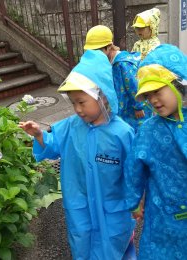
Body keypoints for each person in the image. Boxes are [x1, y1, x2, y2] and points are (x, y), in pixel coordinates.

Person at [19, 50, 136, 259]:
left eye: (82, 102)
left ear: (103, 96)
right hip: (79, 204)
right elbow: (52, 143)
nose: (78, 109)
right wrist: (38, 134)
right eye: (73, 103)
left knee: (114, 247)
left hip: (112, 208)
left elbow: (134, 171)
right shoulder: (72, 126)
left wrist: (137, 201)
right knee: (82, 243)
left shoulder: (122, 133)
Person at [124, 44, 187, 259]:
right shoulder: (149, 130)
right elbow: (134, 167)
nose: (152, 100)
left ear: (178, 83)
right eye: (148, 95)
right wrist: (134, 201)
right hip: (162, 214)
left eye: (157, 91)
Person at [84, 25, 152, 131]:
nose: (95, 54)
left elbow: (134, 85)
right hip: (124, 104)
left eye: (98, 50)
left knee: (138, 130)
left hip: (135, 108)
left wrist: (138, 107)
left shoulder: (123, 64)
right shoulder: (108, 60)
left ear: (109, 46)